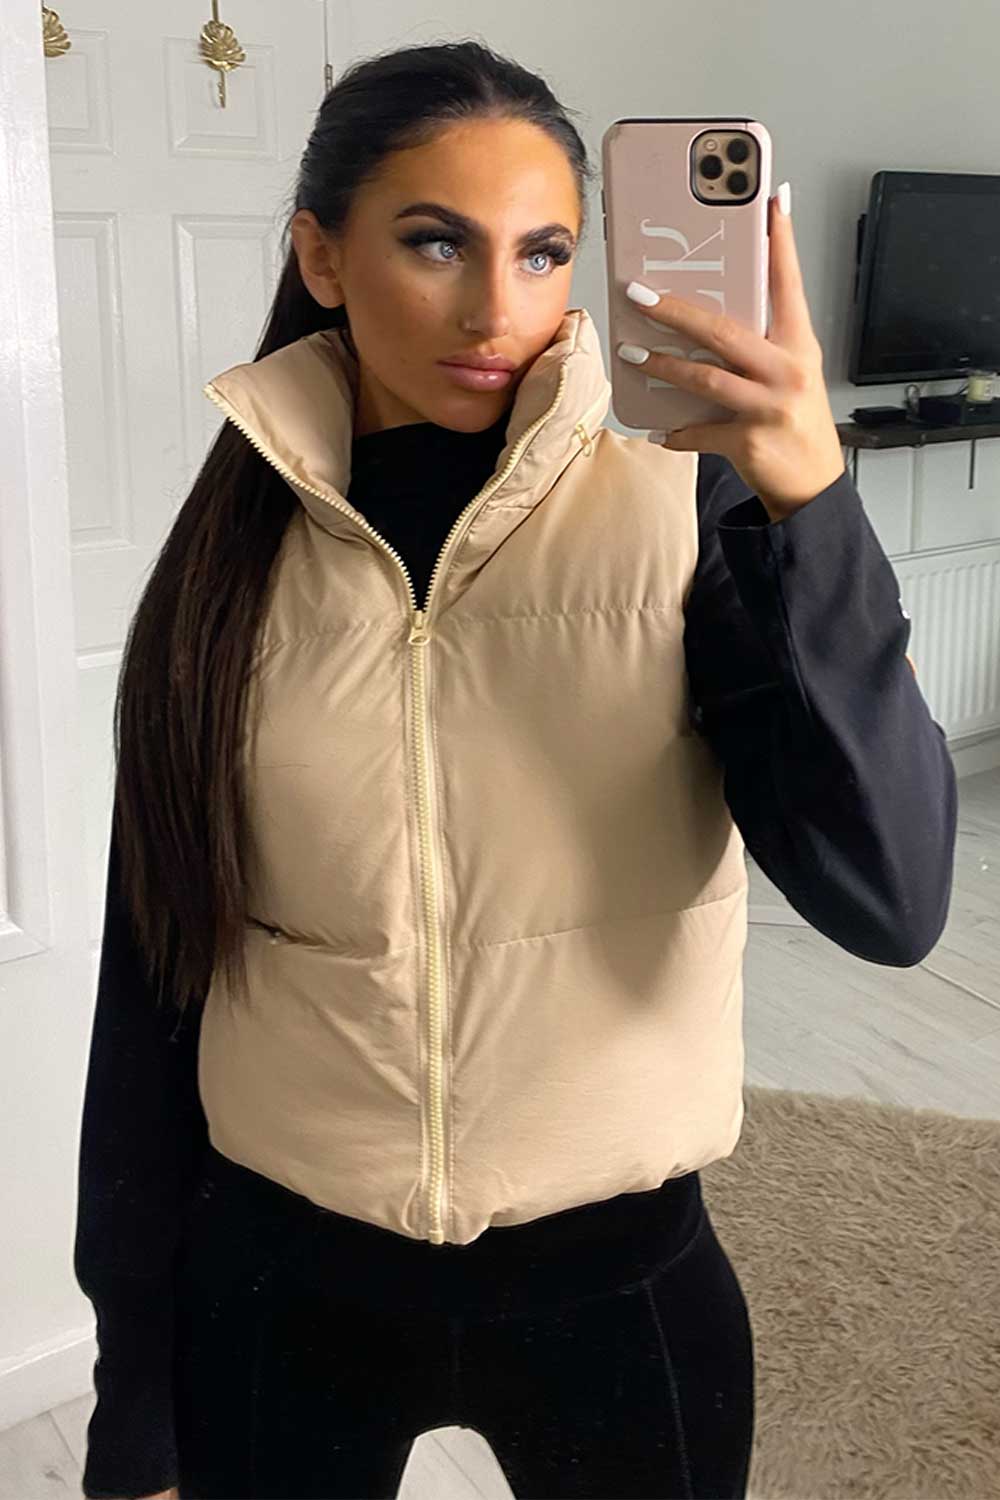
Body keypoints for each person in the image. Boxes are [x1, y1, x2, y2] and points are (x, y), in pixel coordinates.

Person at [72, 37, 957, 1500]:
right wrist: (135, 1402)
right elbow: (152, 986)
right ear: (322, 255)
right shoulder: (229, 563)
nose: (499, 309)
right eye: (437, 242)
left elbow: (894, 899)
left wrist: (811, 508)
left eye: (545, 252)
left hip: (619, 1288)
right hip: (279, 1285)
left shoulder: (690, 514)